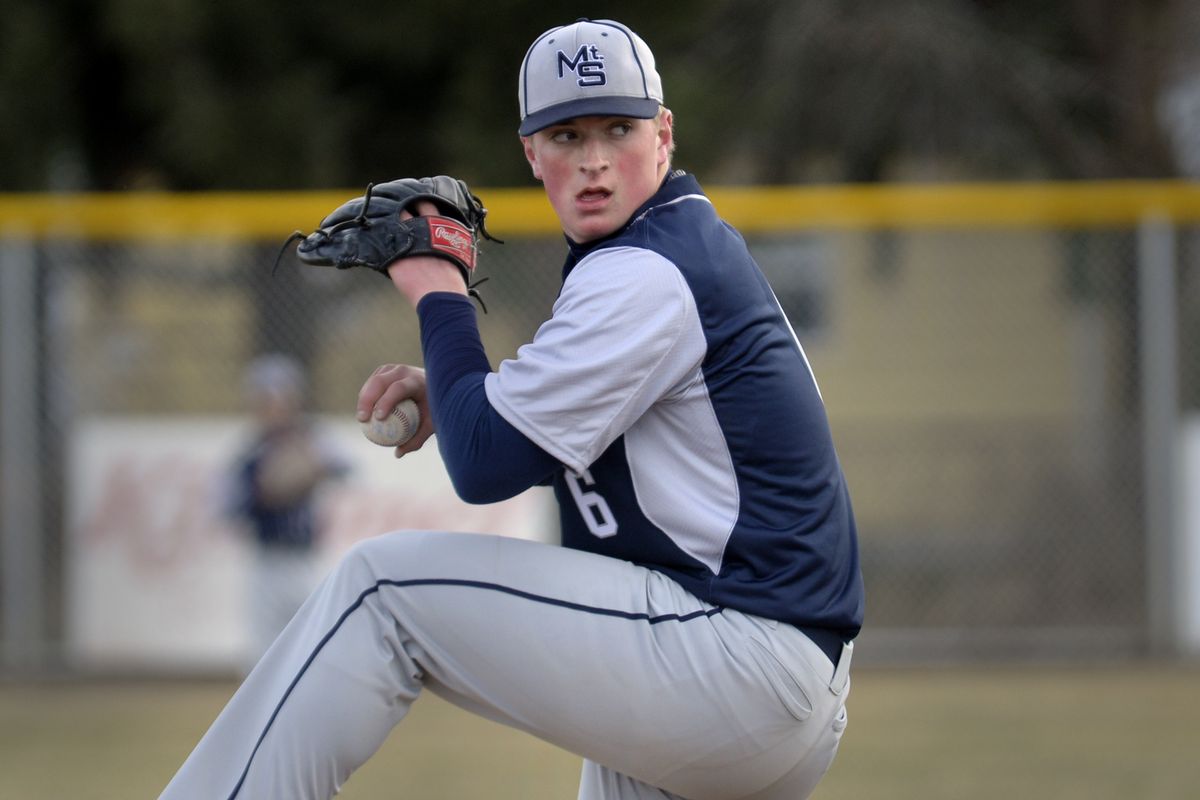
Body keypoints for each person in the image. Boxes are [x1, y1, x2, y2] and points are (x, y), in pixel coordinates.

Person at [162, 18, 864, 800]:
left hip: (735, 659)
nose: (594, 160)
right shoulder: (673, 249)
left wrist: (436, 289)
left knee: (382, 594)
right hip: (751, 676)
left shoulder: (647, 271)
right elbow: (523, 435)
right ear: (531, 152)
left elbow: (487, 463)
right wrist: (462, 398)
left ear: (663, 135)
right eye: (566, 135)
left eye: (619, 129)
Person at [223, 353, 350, 672]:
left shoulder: (312, 438)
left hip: (305, 558)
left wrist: (309, 471)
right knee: (262, 657)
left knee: (316, 646)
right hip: (266, 561)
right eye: (266, 397)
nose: (274, 405)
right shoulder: (249, 452)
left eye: (281, 396)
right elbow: (228, 509)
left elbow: (345, 468)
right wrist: (264, 493)